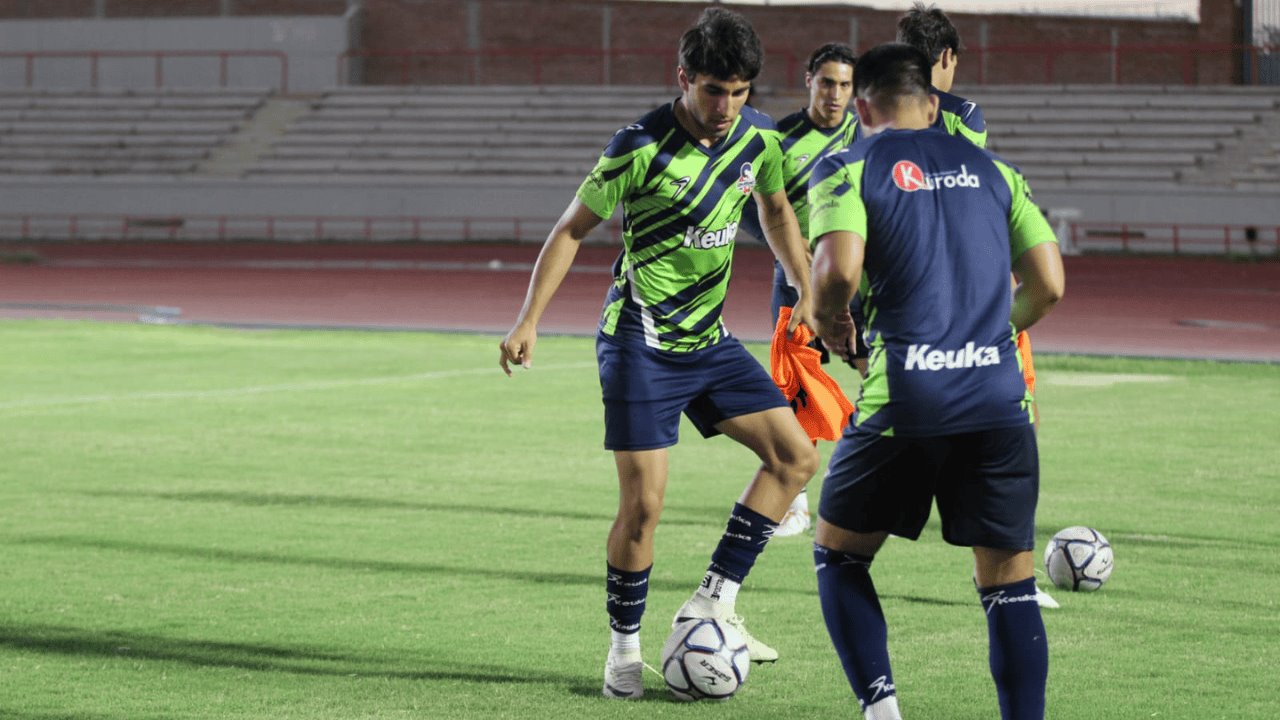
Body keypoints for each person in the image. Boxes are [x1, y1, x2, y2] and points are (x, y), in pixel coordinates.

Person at [497, 7, 819, 699]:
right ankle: (623, 650)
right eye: (713, 91)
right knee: (645, 507)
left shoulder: (760, 140)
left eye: (740, 92)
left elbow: (778, 211)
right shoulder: (637, 145)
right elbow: (569, 231)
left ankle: (712, 601)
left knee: (796, 458)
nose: (727, 106)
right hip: (640, 346)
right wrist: (528, 321)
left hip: (709, 342)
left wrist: (806, 285)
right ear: (684, 79)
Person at [806, 43, 1065, 720]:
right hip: (999, 402)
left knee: (839, 554)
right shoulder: (994, 169)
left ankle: (883, 709)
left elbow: (836, 273)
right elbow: (1050, 284)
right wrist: (996, 335)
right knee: (1008, 581)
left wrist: (828, 320)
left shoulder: (847, 166)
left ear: (861, 106)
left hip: (907, 401)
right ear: (932, 102)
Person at [756, 42, 863, 538]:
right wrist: (798, 260)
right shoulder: (780, 137)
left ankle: (889, 479)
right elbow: (764, 211)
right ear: (808, 81)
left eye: (845, 84)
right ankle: (794, 501)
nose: (836, 93)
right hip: (796, 276)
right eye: (827, 82)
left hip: (857, 272)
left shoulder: (864, 132)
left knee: (879, 368)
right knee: (796, 384)